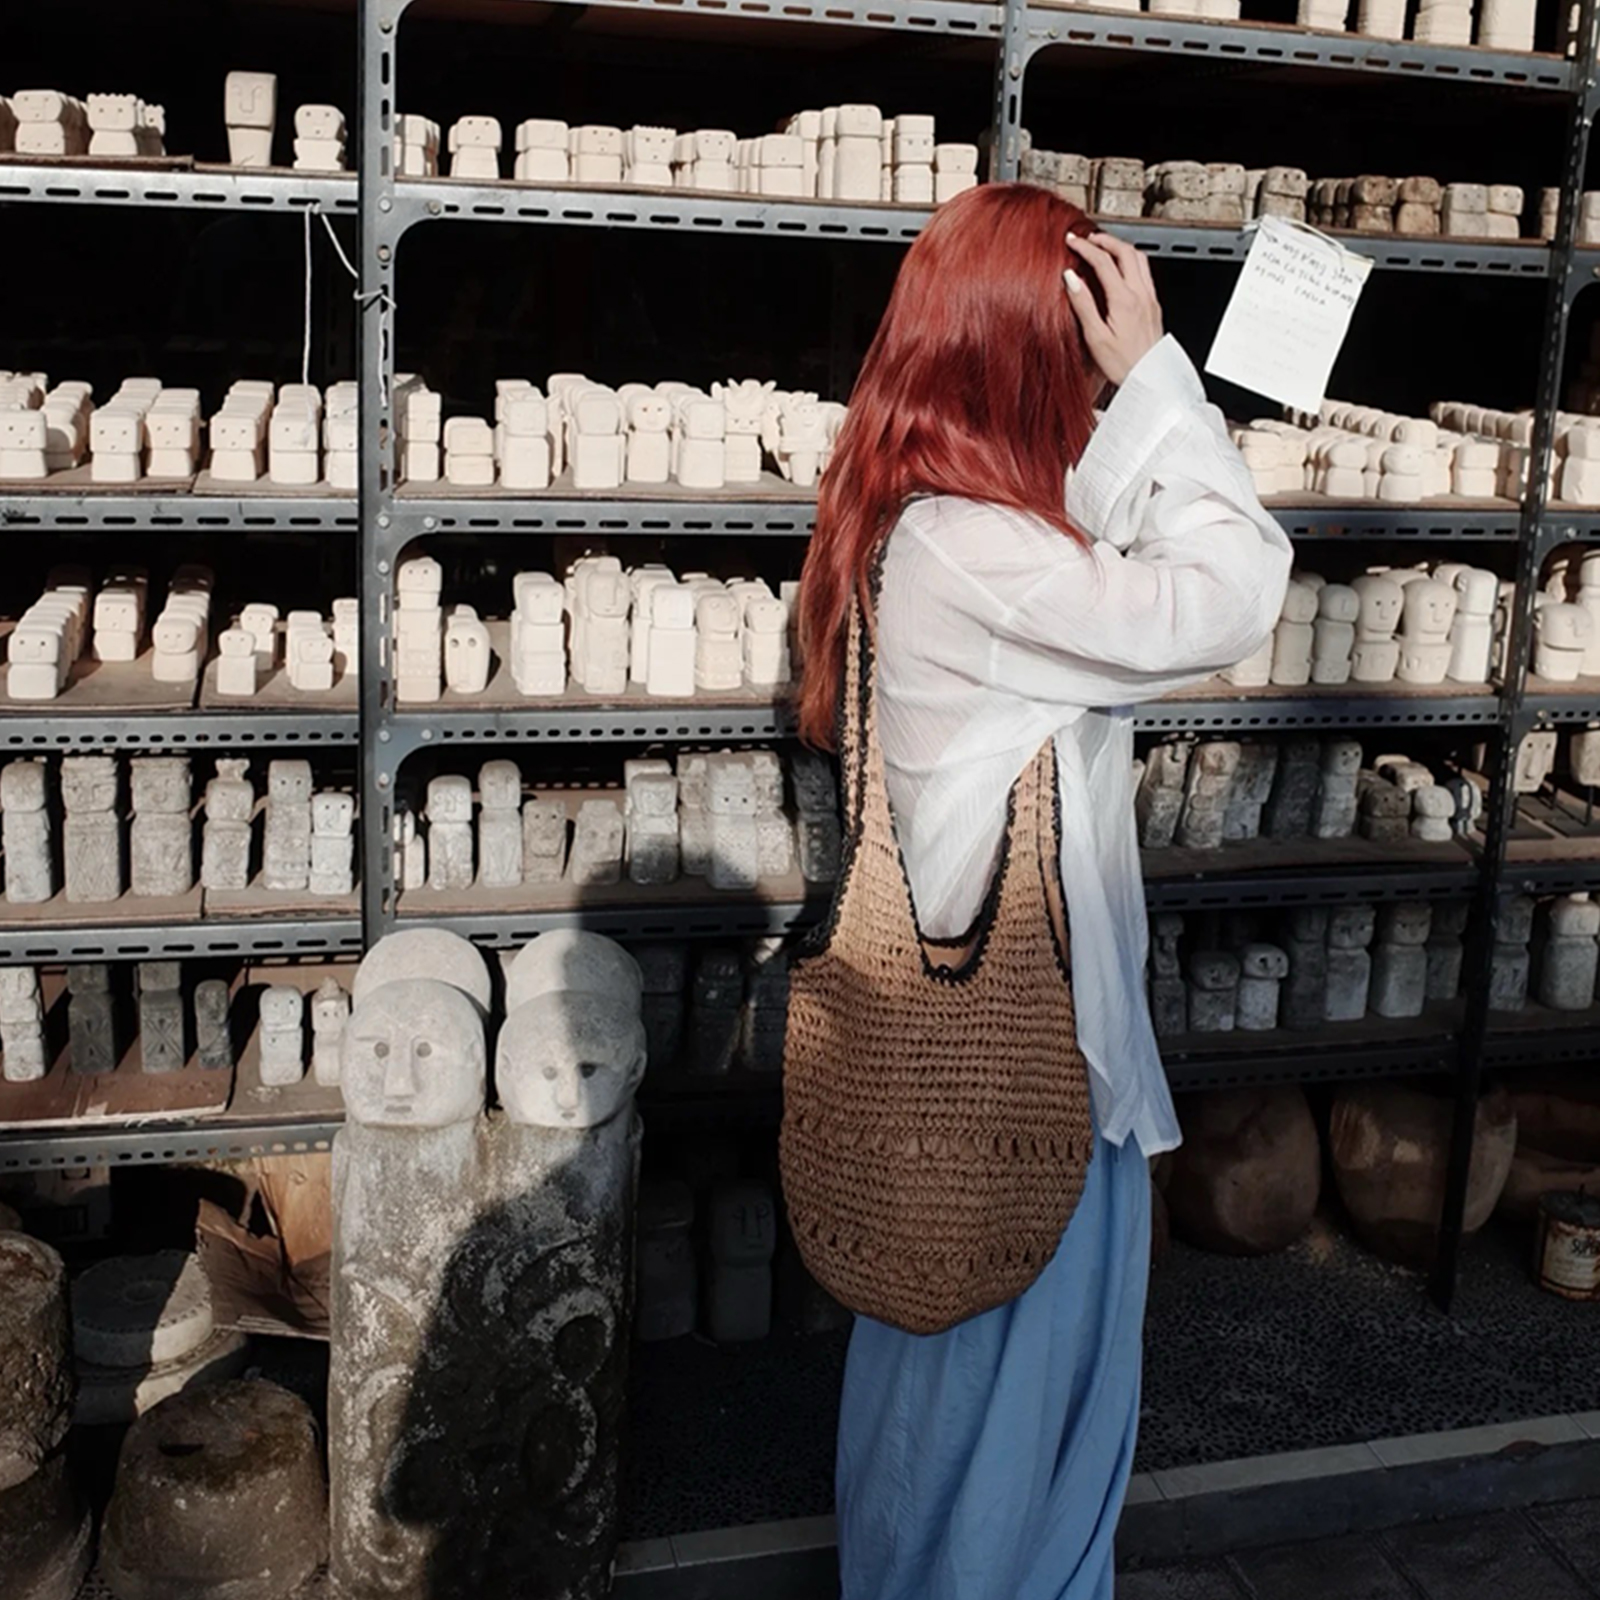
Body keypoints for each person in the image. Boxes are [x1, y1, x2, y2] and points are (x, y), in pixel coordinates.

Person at [793, 182, 1293, 1600]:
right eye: (1074, 353)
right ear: (1025, 350)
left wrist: (1137, 397)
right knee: (996, 1462)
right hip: (1012, 1083)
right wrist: (1160, 377)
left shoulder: (941, 522)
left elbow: (1117, 529)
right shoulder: (973, 551)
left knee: (980, 1445)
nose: (1090, 382)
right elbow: (1233, 590)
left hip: (1022, 1071)